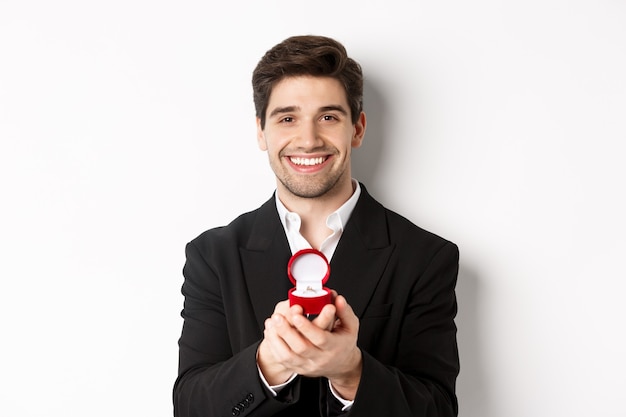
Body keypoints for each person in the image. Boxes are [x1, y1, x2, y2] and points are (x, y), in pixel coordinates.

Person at [173, 35, 460, 417]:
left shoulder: (424, 257)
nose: (308, 140)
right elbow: (190, 407)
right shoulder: (213, 256)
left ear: (357, 129)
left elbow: (438, 409)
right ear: (261, 131)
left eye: (328, 117)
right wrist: (269, 362)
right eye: (287, 118)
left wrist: (351, 372)